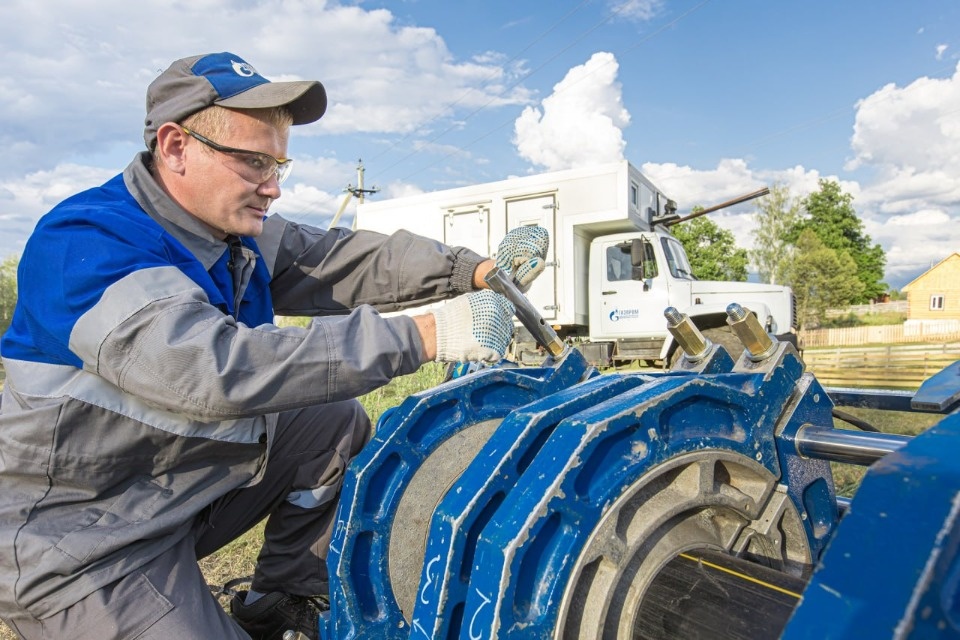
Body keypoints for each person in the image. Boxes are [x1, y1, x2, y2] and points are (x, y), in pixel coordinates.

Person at [0, 52, 549, 640]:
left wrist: (475, 270)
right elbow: (212, 370)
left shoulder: (228, 232)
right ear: (176, 146)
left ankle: (278, 598)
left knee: (327, 423)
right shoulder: (88, 243)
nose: (275, 186)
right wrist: (429, 334)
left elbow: (342, 259)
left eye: (279, 163)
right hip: (78, 537)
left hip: (170, 488)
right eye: (255, 162)